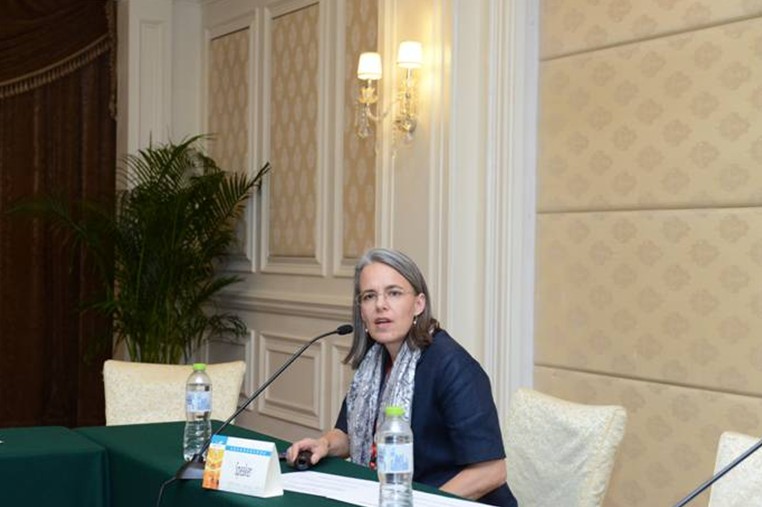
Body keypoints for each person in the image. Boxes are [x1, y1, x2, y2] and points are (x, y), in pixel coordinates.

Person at [286, 248, 517, 506]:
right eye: (369, 296)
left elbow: (491, 471)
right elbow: (351, 434)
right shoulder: (374, 363)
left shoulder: (453, 366)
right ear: (361, 311)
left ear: (419, 304)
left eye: (394, 293)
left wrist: (419, 503)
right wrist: (324, 444)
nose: (380, 305)